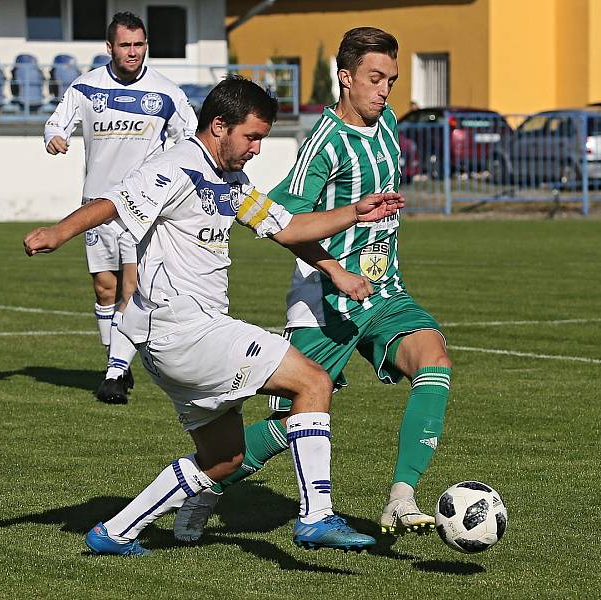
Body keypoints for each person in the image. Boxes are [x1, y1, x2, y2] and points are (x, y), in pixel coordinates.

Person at [24, 75, 404, 556]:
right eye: (252, 137)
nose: (256, 149)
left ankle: (114, 532)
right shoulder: (177, 164)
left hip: (172, 342)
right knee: (313, 382)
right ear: (219, 125)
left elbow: (288, 228)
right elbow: (112, 202)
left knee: (224, 460)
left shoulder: (233, 181)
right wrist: (58, 233)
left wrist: (353, 214)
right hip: (183, 329)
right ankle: (317, 516)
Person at [173, 27, 452, 543]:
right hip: (324, 302)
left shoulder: (387, 121)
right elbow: (283, 221)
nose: (385, 90)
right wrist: (335, 271)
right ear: (344, 78)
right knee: (290, 425)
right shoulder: (323, 144)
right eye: (374, 78)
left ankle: (402, 496)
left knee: (432, 360)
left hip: (383, 290)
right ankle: (203, 486)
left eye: (391, 79)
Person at [44, 11, 198, 404]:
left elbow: (190, 139)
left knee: (132, 286)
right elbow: (56, 122)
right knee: (105, 287)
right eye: (126, 45)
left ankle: (114, 372)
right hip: (95, 205)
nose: (133, 52)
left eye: (140, 44)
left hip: (141, 208)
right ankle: (118, 361)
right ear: (109, 47)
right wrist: (56, 137)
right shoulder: (86, 87)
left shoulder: (166, 92)